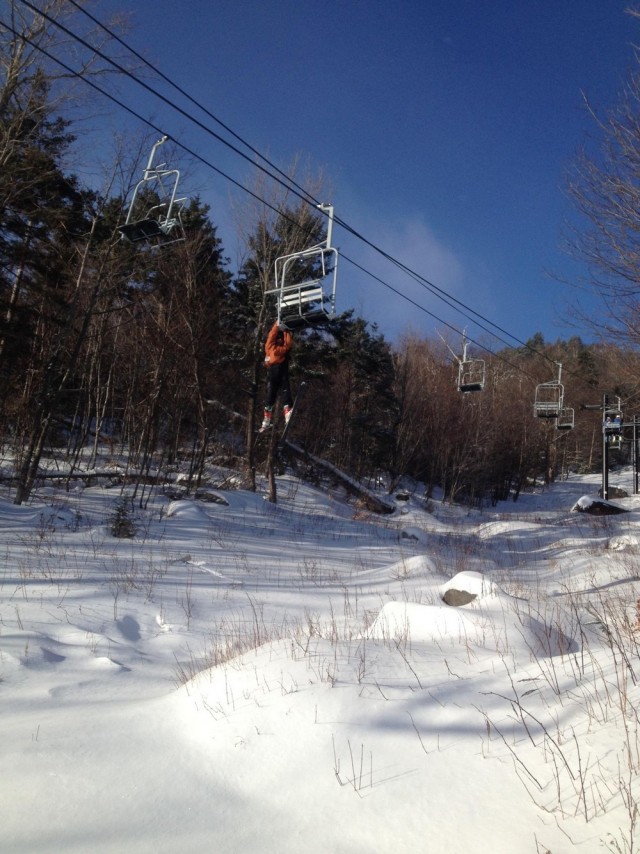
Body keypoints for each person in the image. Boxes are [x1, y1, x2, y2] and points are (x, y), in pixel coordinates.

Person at [260, 320, 293, 431]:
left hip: (272, 372)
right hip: (280, 369)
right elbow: (286, 343)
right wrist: (285, 330)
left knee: (271, 394)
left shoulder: (269, 348)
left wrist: (277, 326)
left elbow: (271, 336)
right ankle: (287, 411)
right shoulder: (280, 348)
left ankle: (266, 420)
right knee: (285, 389)